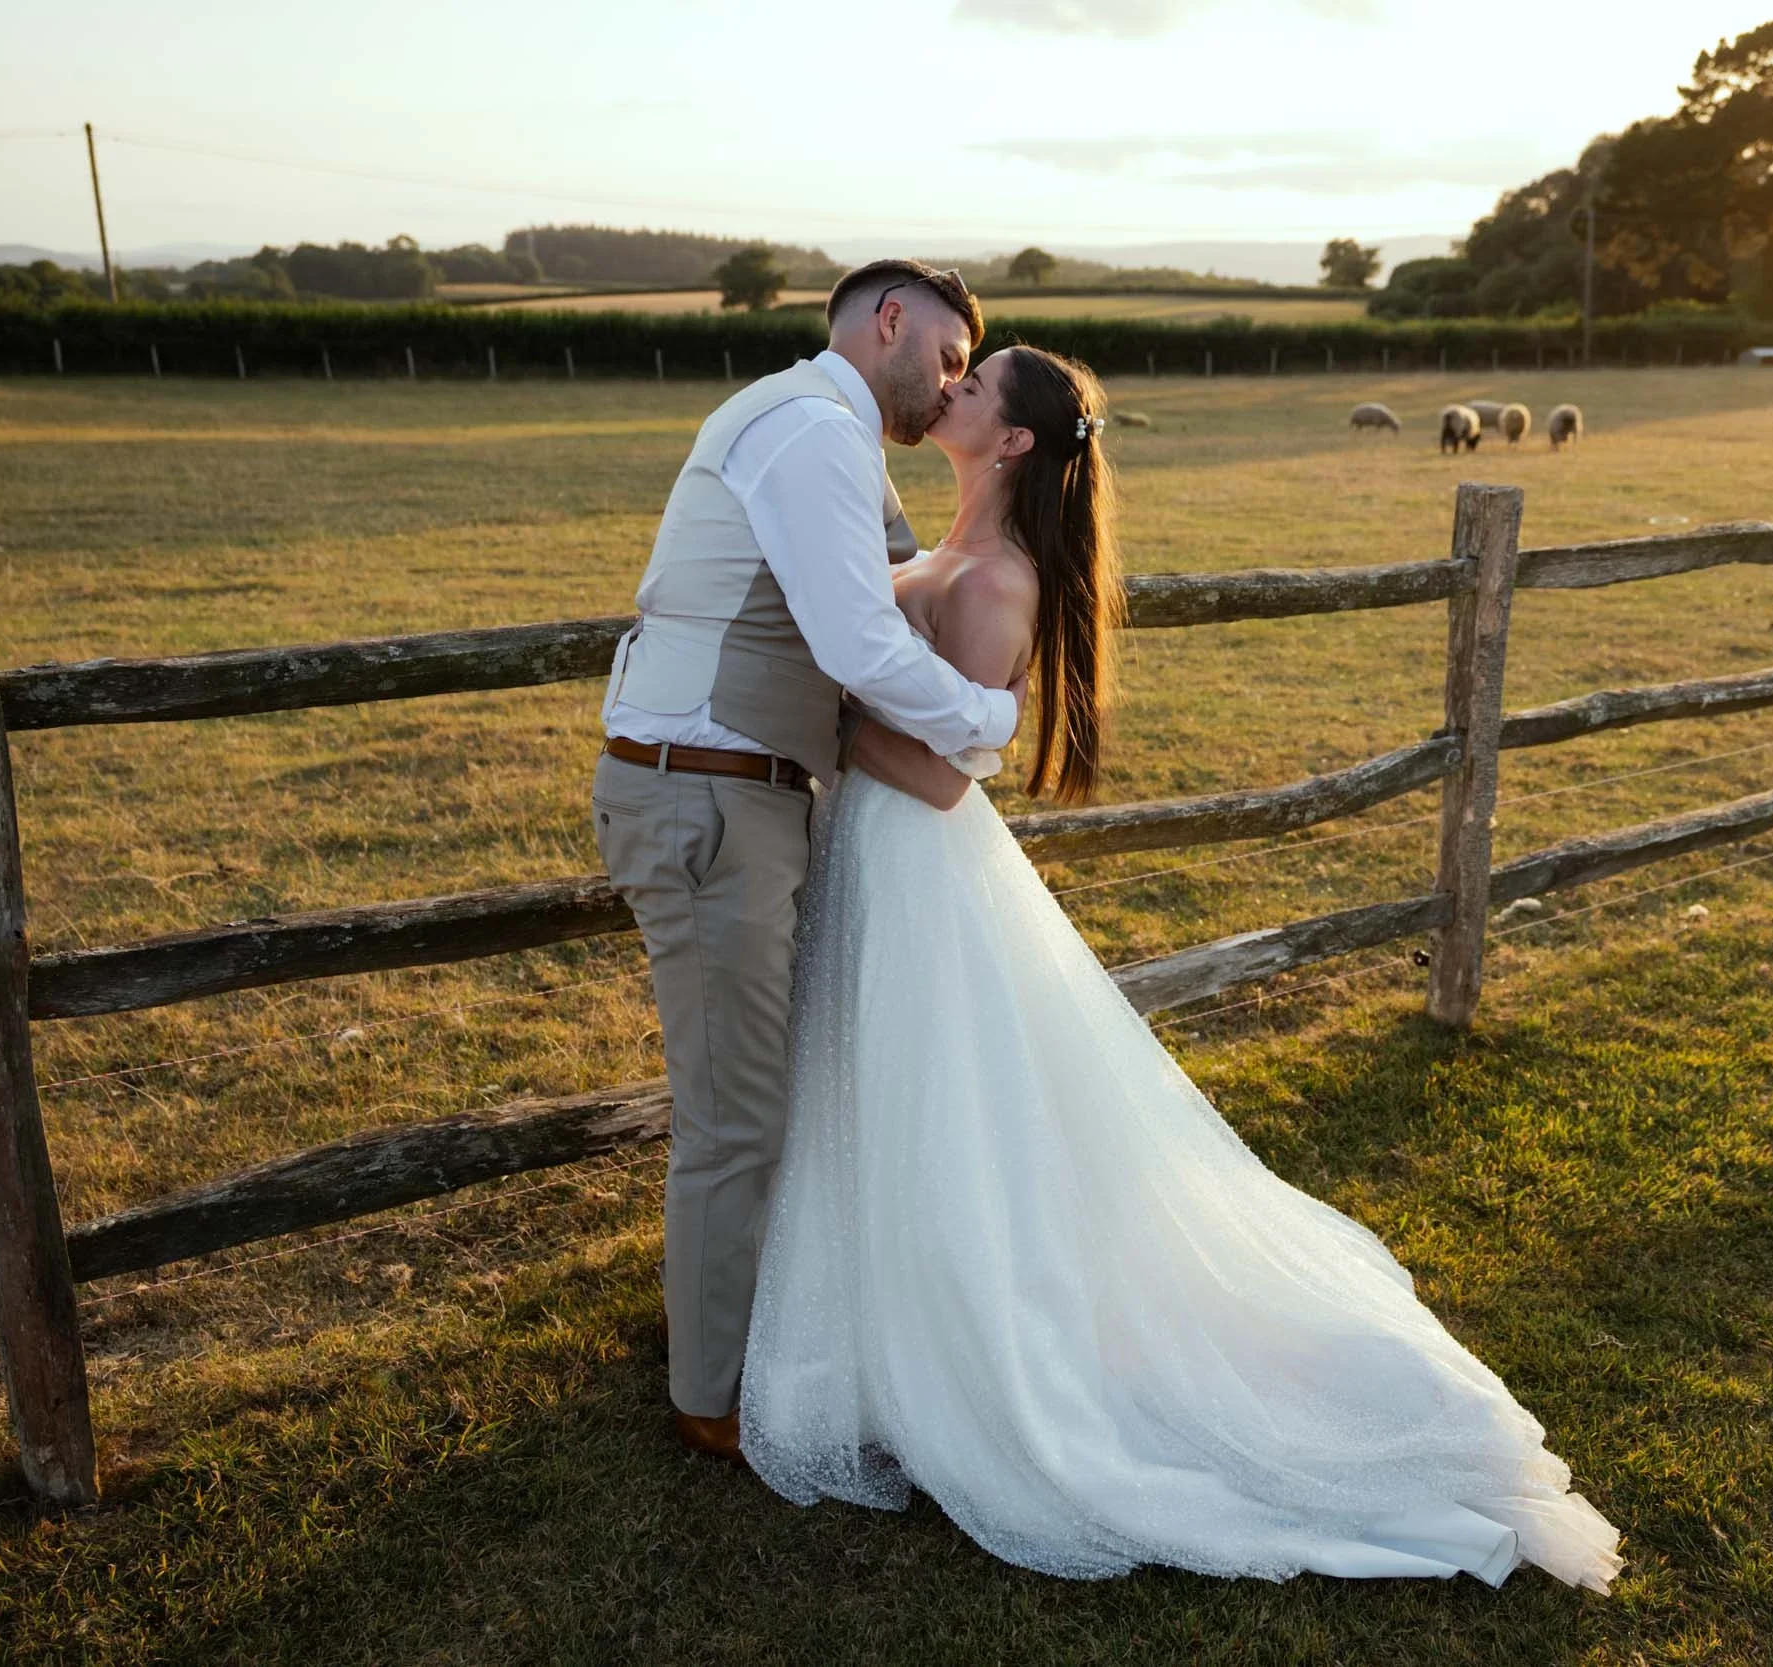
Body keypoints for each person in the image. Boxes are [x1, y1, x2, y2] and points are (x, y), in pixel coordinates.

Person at [738, 343, 1623, 1592]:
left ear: (1013, 443)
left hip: (911, 854)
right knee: (878, 1099)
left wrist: (827, 723)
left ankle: (967, 1350)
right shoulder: (943, 543)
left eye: (977, 385)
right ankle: (879, 1329)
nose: (955, 388)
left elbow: (942, 773)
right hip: (873, 856)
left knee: (930, 1102)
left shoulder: (996, 579)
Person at [592, 260, 1020, 1460]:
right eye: (944, 355)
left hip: (739, 796)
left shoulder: (826, 432)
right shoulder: (807, 432)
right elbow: (857, 642)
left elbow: (881, 606)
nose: (947, 386)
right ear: (888, 320)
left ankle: (730, 1326)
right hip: (707, 799)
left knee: (757, 1095)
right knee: (735, 1115)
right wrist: (989, 721)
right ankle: (711, 1395)